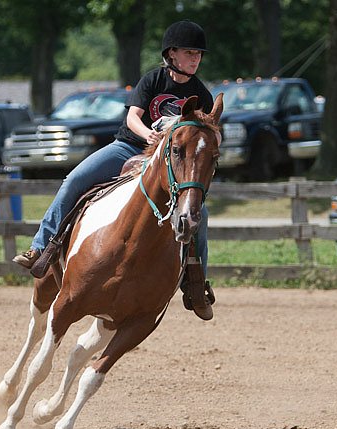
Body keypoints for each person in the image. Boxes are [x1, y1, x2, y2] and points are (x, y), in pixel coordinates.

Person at [13, 20, 215, 320]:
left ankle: (195, 284)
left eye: (198, 53)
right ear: (171, 54)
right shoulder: (153, 80)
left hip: (169, 164)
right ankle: (42, 246)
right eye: (189, 52)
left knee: (201, 216)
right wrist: (148, 135)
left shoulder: (203, 94)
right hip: (129, 147)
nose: (195, 58)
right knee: (74, 180)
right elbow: (134, 117)